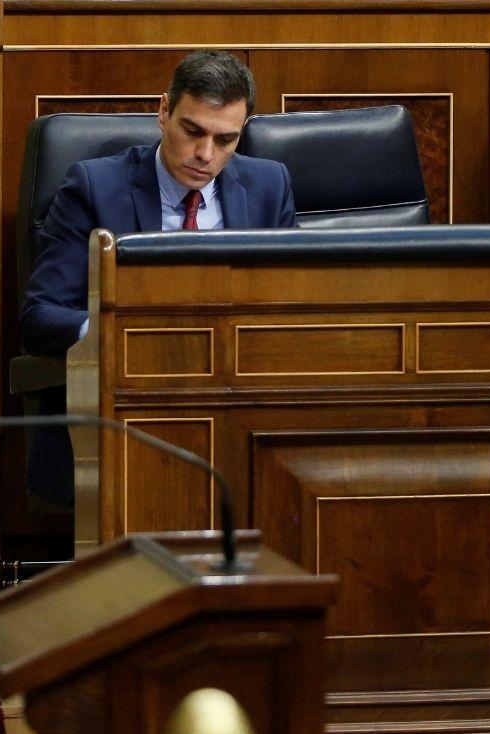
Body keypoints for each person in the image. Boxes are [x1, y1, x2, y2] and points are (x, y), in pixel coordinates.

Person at [18, 51, 296, 507]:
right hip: (132, 399)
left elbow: (291, 306)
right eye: (193, 131)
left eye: (226, 140)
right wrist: (113, 333)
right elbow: (39, 316)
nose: (206, 155)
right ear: (163, 111)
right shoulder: (94, 186)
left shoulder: (270, 186)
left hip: (235, 397)